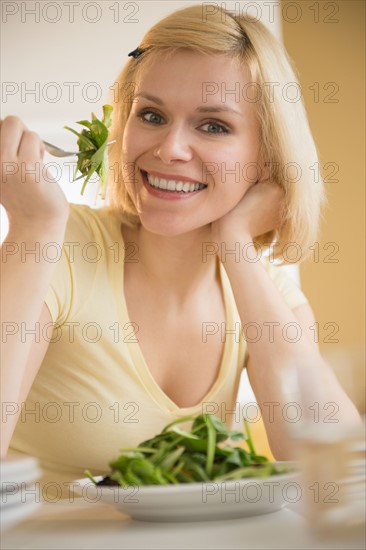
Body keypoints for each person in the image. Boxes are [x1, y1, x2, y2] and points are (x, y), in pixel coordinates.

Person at [0, 5, 360, 491]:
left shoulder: (267, 295)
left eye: (213, 126)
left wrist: (235, 245)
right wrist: (34, 225)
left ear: (267, 158)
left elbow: (339, 475)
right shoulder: (58, 245)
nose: (170, 148)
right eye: (151, 115)